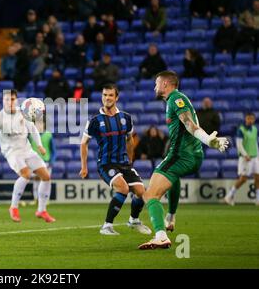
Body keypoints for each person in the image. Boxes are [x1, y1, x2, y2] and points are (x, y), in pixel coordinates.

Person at [138, 71, 228, 250]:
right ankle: (170, 217)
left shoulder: (175, 98)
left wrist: (208, 140)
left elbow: (188, 123)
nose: (155, 87)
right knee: (173, 177)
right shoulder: (177, 99)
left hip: (181, 155)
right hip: (193, 156)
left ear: (165, 84)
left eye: (157, 83)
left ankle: (161, 236)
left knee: (150, 195)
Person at [80, 84, 151, 236]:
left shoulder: (126, 118)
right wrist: (84, 166)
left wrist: (130, 159)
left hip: (124, 163)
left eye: (110, 95)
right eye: (104, 95)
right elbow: (83, 143)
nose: (107, 98)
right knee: (123, 189)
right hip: (106, 164)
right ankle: (106, 226)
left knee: (141, 192)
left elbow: (130, 139)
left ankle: (133, 220)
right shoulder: (94, 120)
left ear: (116, 97)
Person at [0, 90, 55, 223]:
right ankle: (14, 207)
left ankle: (41, 210)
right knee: (26, 174)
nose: (9, 102)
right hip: (12, 152)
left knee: (46, 176)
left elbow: (33, 129)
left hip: (27, 150)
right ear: (2, 101)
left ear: (16, 101)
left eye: (11, 99)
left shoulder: (23, 113)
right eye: (6, 99)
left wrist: (39, 145)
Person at [224, 112, 259, 206]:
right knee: (243, 179)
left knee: (258, 177)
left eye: (252, 119)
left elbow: (255, 143)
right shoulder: (241, 130)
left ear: (254, 119)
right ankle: (229, 196)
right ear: (245, 119)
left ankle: (257, 199)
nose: (250, 120)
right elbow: (239, 145)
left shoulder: (255, 129)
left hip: (255, 157)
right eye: (248, 118)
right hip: (245, 158)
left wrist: (258, 155)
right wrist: (245, 155)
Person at [28, 117, 55, 206]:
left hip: (46, 161)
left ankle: (46, 199)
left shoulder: (48, 135)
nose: (38, 125)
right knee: (36, 181)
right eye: (36, 124)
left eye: (40, 123)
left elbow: (53, 150)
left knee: (46, 180)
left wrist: (51, 161)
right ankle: (36, 199)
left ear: (44, 124)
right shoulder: (31, 135)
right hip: (34, 161)